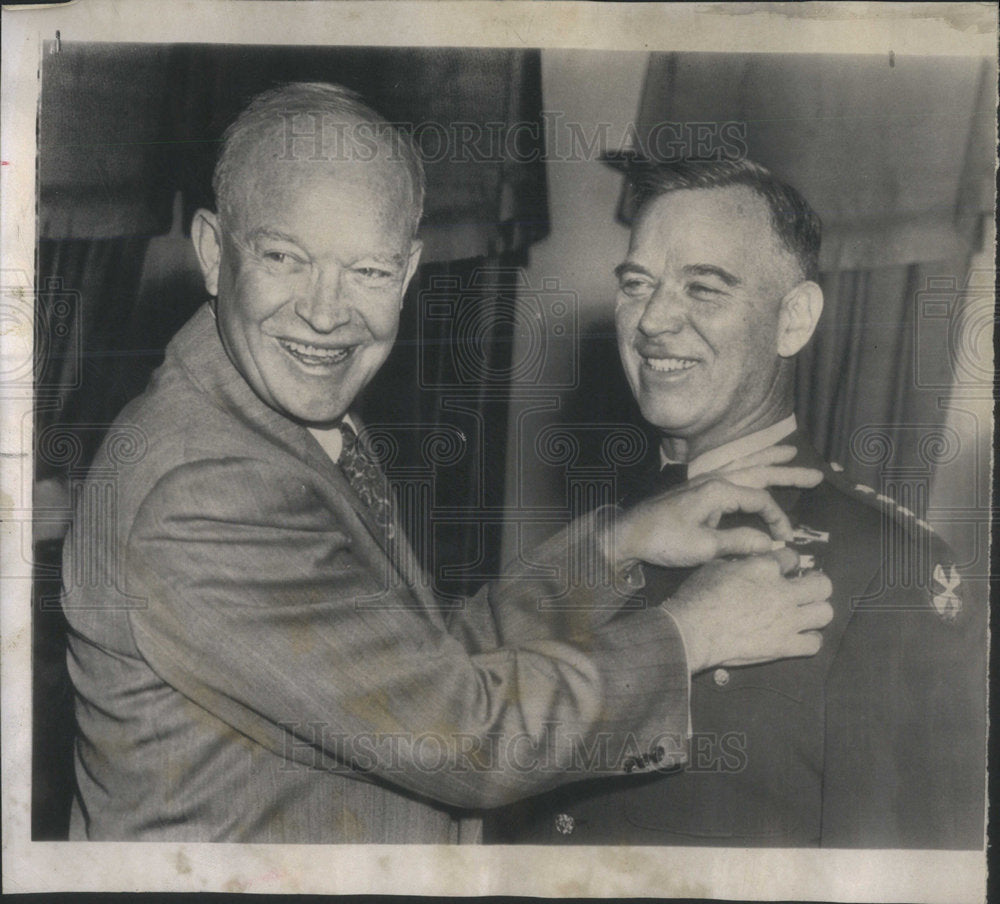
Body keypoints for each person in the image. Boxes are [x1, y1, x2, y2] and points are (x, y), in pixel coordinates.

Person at [60, 86, 834, 843]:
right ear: (212, 253)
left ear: (406, 274)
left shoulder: (285, 411)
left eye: (367, 271)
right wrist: (691, 634)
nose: (324, 312)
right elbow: (463, 736)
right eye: (285, 257)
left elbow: (427, 666)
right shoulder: (206, 487)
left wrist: (616, 547)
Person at [487, 159, 986, 848]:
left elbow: (899, 874)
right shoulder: (598, 540)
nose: (653, 320)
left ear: (793, 320)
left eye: (704, 287)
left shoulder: (890, 570)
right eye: (637, 284)